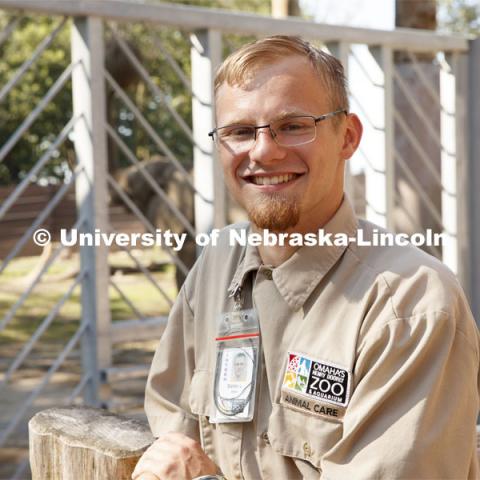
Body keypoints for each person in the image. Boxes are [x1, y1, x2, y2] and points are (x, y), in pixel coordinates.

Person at [132, 36, 480, 480]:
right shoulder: (217, 264)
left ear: (347, 137)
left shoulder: (408, 305)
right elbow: (172, 421)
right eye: (239, 131)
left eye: (294, 125)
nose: (263, 151)